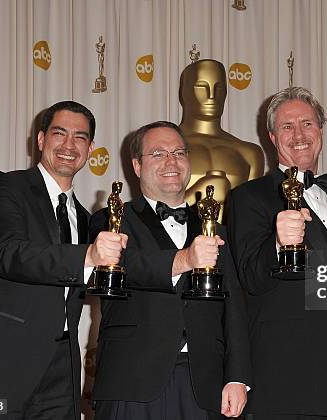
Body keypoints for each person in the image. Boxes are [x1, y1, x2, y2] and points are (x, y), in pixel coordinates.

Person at [0, 101, 126, 419]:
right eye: (60, 133)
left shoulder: (87, 219)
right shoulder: (3, 186)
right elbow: (10, 254)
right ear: (41, 140)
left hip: (60, 377)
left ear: (91, 148)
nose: (69, 145)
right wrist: (88, 255)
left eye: (80, 137)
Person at [227, 87, 327, 420]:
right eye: (287, 126)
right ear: (272, 136)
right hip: (287, 382)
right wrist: (277, 243)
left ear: (321, 131)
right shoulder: (249, 198)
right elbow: (250, 278)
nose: (299, 134)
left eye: (307, 124)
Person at [90, 121, 251, 419]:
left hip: (205, 383)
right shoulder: (110, 220)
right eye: (158, 153)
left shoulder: (215, 228)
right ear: (137, 166)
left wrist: (238, 376)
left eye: (179, 152)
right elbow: (125, 265)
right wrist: (184, 260)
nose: (171, 161)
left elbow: (235, 309)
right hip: (132, 381)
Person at [179, 59, 264, 209]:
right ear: (184, 92)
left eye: (218, 88)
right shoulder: (165, 150)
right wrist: (197, 193)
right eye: (201, 86)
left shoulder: (249, 153)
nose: (211, 95)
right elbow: (153, 212)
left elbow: (252, 219)